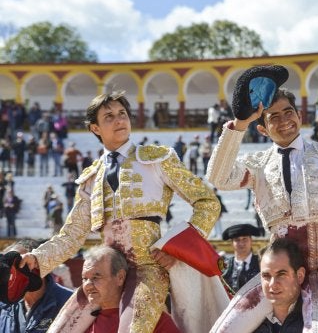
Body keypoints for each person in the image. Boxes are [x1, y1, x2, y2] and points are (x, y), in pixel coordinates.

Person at [19, 90, 221, 333]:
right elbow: (71, 236)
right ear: (95, 128)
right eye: (109, 116)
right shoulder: (91, 177)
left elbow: (207, 201)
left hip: (148, 268)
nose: (119, 120)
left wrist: (179, 250)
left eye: (122, 114)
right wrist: (38, 259)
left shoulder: (156, 159)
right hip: (104, 272)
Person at [207, 72, 318, 332]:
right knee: (225, 329)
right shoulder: (258, 165)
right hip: (278, 269)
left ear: (300, 116)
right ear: (262, 128)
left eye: (288, 112)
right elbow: (219, 177)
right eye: (274, 117)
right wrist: (239, 123)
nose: (284, 121)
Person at [77, 245, 180, 333]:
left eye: (96, 277)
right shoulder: (81, 324)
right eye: (84, 279)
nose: (87, 285)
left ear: (120, 277)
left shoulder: (152, 319)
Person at [0, 238, 73, 333]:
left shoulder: (70, 302)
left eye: (20, 263)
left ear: (38, 264)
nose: (12, 273)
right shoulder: (5, 305)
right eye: (9, 265)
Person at [252, 238, 306, 333]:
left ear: (300, 276)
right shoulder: (248, 325)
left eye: (281, 274)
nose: (272, 284)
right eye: (266, 276)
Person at [221, 223, 261, 293]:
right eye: (237, 240)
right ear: (231, 243)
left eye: (245, 239)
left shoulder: (261, 263)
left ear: (251, 241)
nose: (241, 243)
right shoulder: (224, 266)